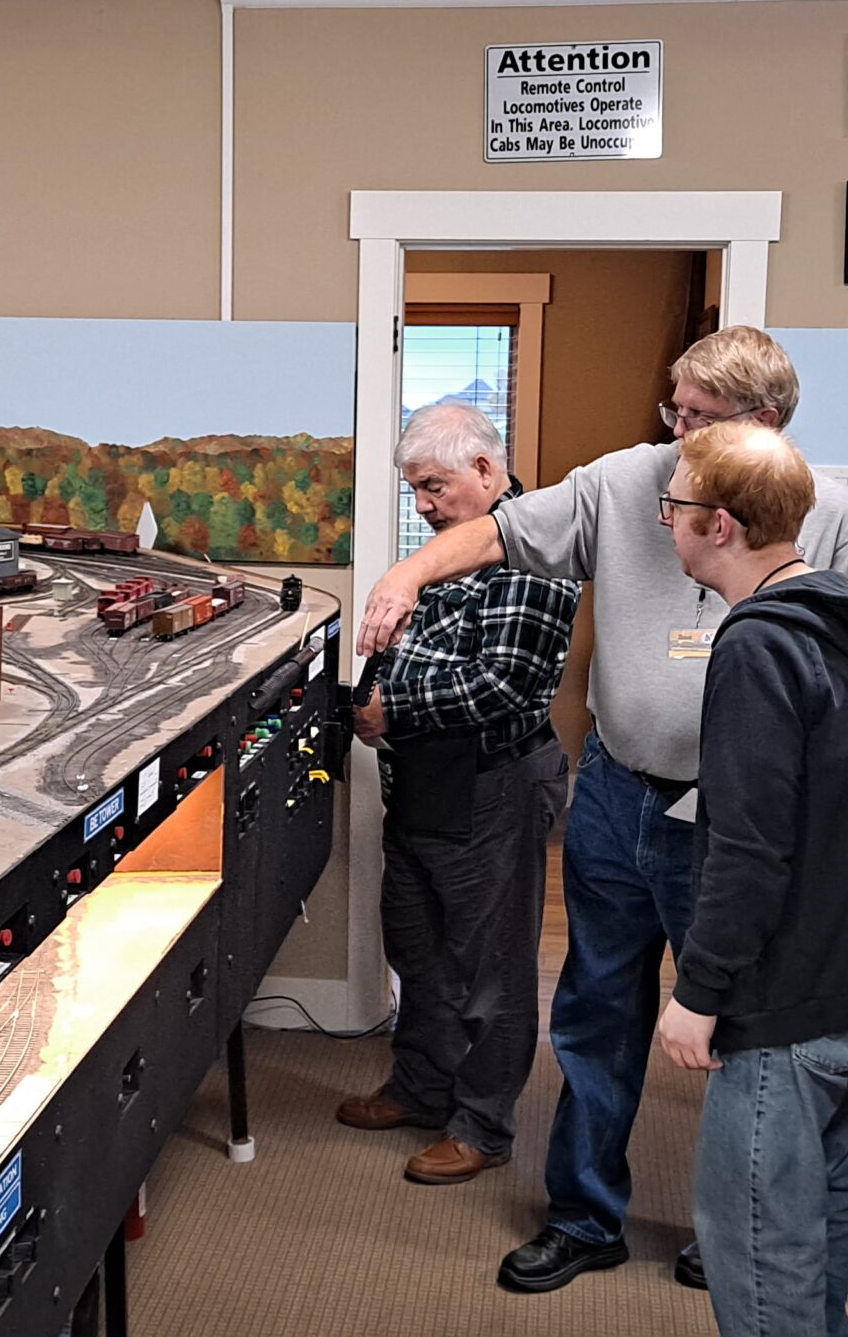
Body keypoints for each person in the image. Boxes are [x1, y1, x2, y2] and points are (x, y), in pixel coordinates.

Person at [356, 327, 848, 1293]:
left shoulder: (829, 516)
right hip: (614, 791)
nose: (675, 434)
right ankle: (585, 1217)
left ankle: (723, 1233)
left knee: (735, 1034)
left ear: (762, 426)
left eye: (698, 419)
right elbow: (503, 528)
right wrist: (405, 574)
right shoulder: (623, 480)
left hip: (733, 822)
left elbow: (846, 671)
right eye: (671, 411)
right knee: (596, 1017)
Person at [653, 421, 848, 1337]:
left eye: (675, 506)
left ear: (722, 526)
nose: (664, 521)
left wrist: (697, 992)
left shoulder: (757, 648)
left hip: (798, 997)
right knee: (825, 1193)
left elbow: (749, 844)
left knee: (755, 1239)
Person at [338, 402, 580, 1184]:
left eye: (434, 486)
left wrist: (390, 708)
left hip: (493, 782)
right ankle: (421, 1087)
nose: (423, 506)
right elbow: (423, 650)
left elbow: (501, 686)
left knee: (491, 970)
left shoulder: (534, 550)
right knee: (417, 946)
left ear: (485, 469)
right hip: (427, 779)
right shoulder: (448, 552)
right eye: (414, 490)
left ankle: (483, 1127)